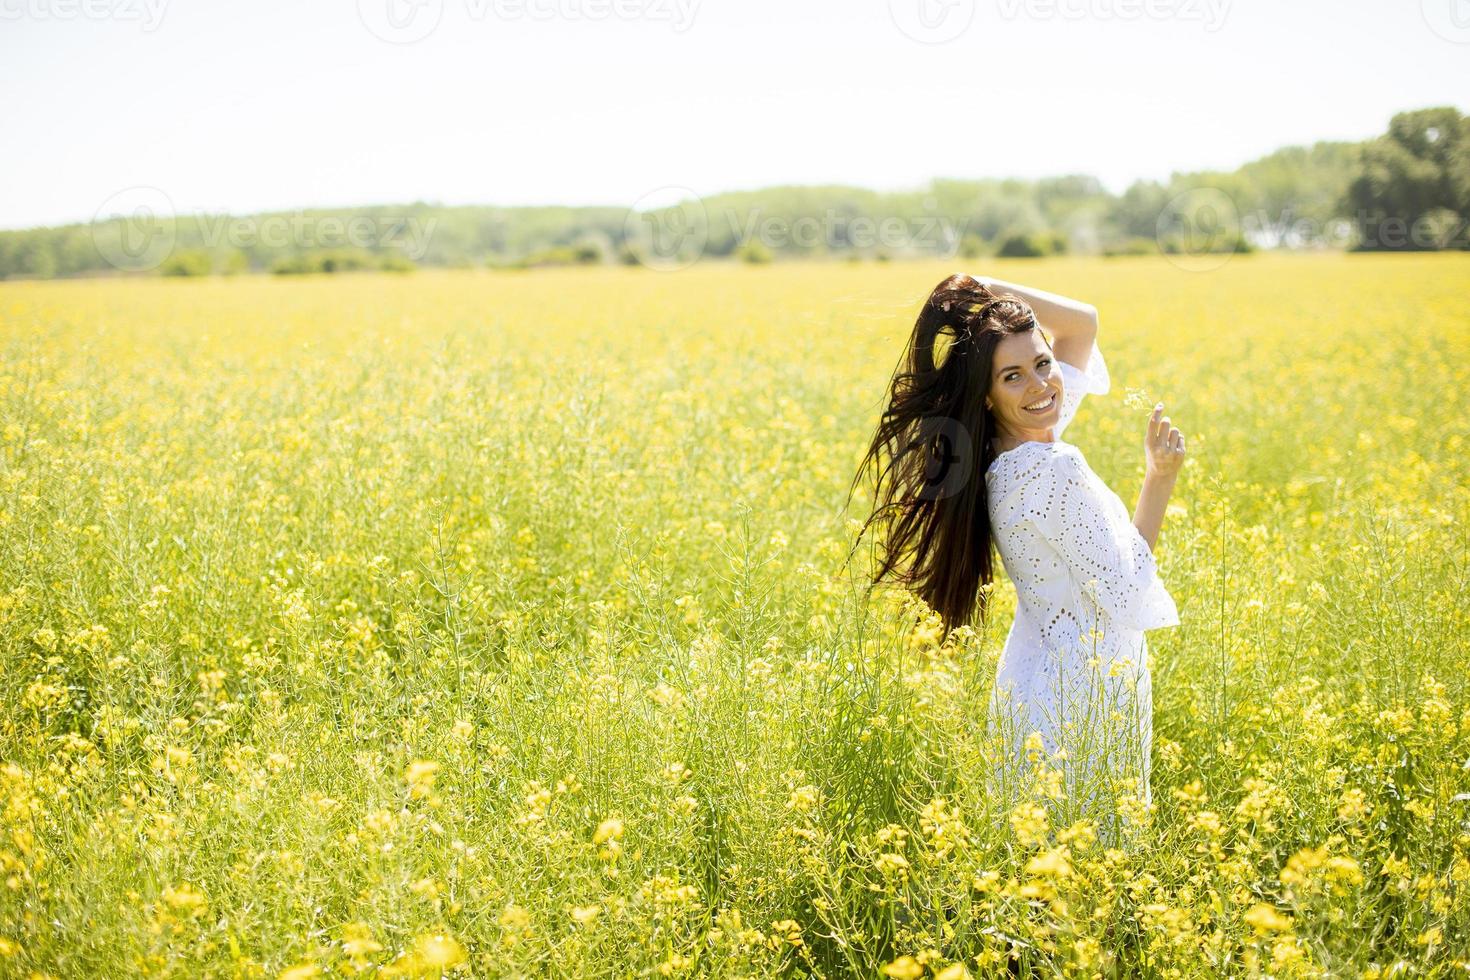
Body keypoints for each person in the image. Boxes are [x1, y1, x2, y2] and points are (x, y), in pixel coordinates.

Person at [847, 272, 1186, 844]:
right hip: (1084, 700)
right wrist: (1159, 478)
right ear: (987, 393)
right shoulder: (1052, 470)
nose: (1041, 386)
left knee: (1042, 881)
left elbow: (1079, 329)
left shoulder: (1004, 452)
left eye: (1043, 363)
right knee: (1091, 874)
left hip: (1035, 691)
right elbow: (1128, 595)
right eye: (1013, 376)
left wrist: (976, 292)